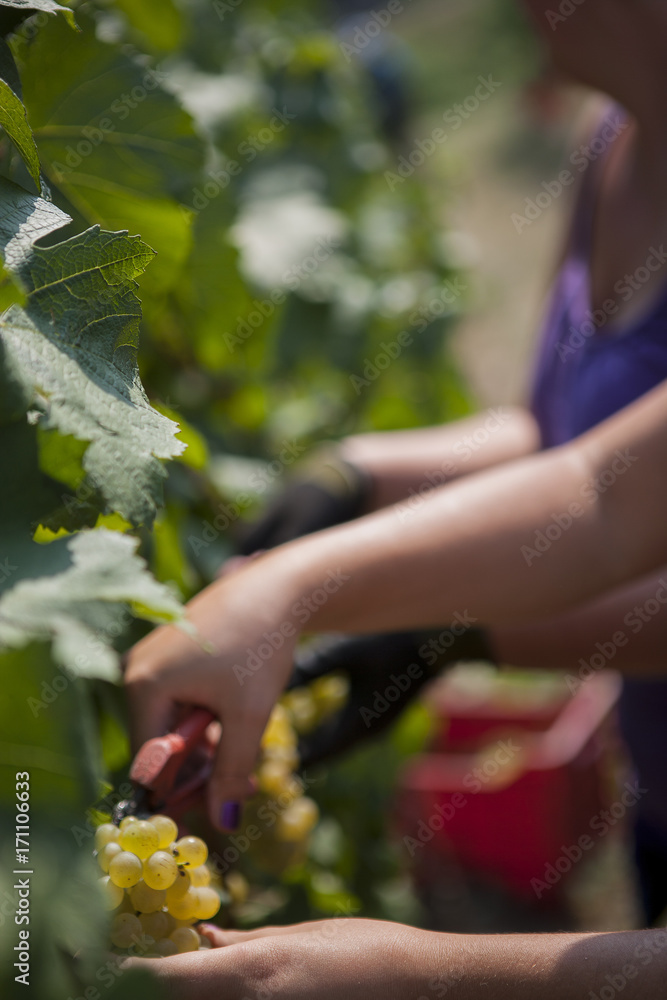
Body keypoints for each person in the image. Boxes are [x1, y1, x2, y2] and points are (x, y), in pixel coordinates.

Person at [125, 0, 667, 993]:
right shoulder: (615, 141)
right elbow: (584, 467)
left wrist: (446, 630)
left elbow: (617, 522)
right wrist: (353, 485)